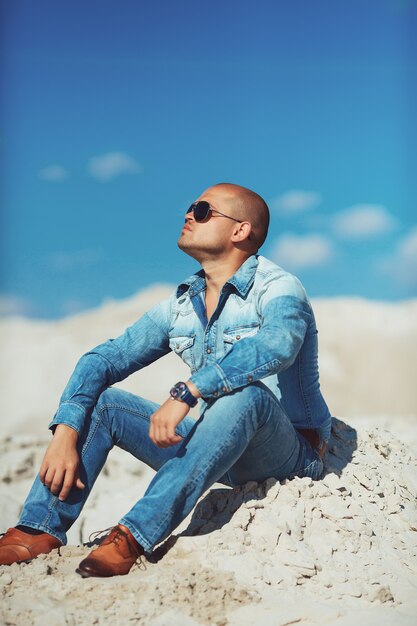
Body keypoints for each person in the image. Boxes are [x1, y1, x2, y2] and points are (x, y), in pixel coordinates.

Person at [0, 182, 332, 577]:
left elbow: (278, 345)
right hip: (213, 448)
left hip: (288, 453)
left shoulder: (279, 286)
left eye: (204, 210)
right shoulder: (180, 305)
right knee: (103, 404)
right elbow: (104, 359)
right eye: (191, 208)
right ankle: (38, 528)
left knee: (247, 395)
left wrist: (189, 390)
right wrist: (66, 430)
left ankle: (132, 535)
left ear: (240, 230)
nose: (189, 215)